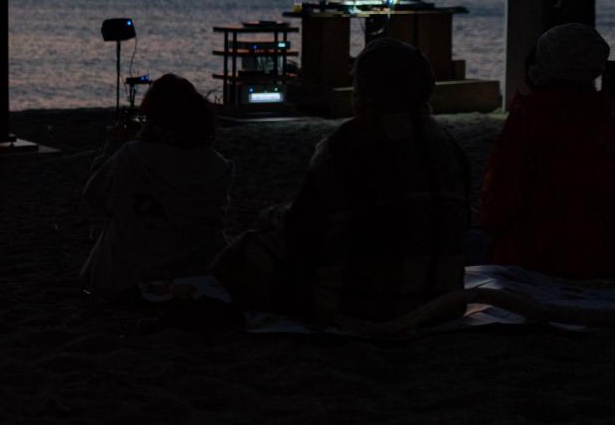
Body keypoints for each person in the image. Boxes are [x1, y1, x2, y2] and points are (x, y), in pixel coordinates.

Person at [214, 38, 471, 324]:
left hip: (363, 303)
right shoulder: (450, 146)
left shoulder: (346, 145)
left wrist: (273, 218)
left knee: (247, 250)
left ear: (366, 94)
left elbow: (303, 234)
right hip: (440, 301)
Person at [479, 23, 615, 278]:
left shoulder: (531, 116)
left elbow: (500, 199)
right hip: (602, 258)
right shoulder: (606, 115)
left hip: (532, 258)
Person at [80, 74, 232, 298]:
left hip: (128, 275)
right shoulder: (219, 166)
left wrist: (111, 148)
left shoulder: (131, 157)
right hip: (195, 271)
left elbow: (95, 198)